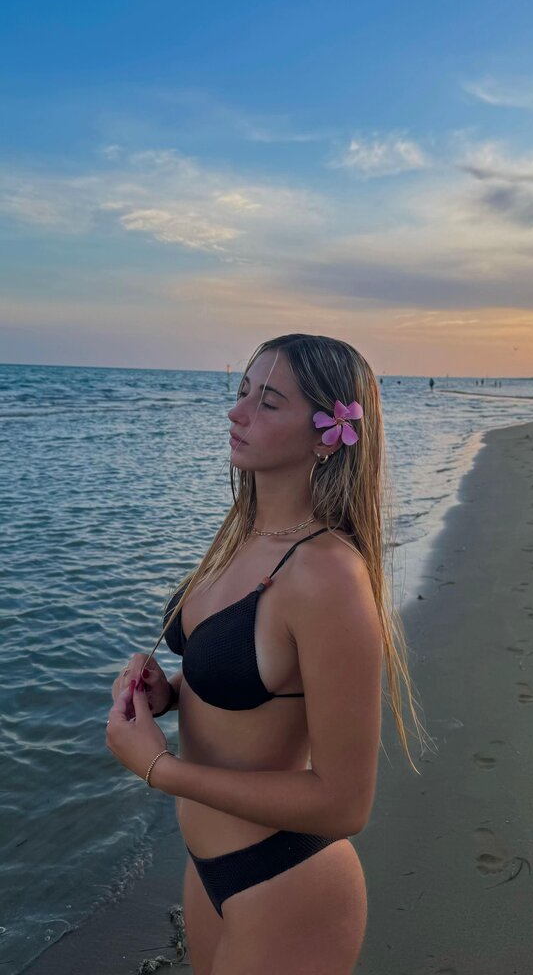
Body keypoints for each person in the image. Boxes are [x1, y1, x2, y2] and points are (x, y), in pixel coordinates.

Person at [106, 333, 429, 975]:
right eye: (242, 391)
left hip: (285, 882)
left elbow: (344, 803)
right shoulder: (241, 537)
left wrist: (160, 769)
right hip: (208, 869)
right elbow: (258, 681)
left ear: (327, 436)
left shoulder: (327, 575)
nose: (237, 412)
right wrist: (172, 689)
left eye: (269, 401)